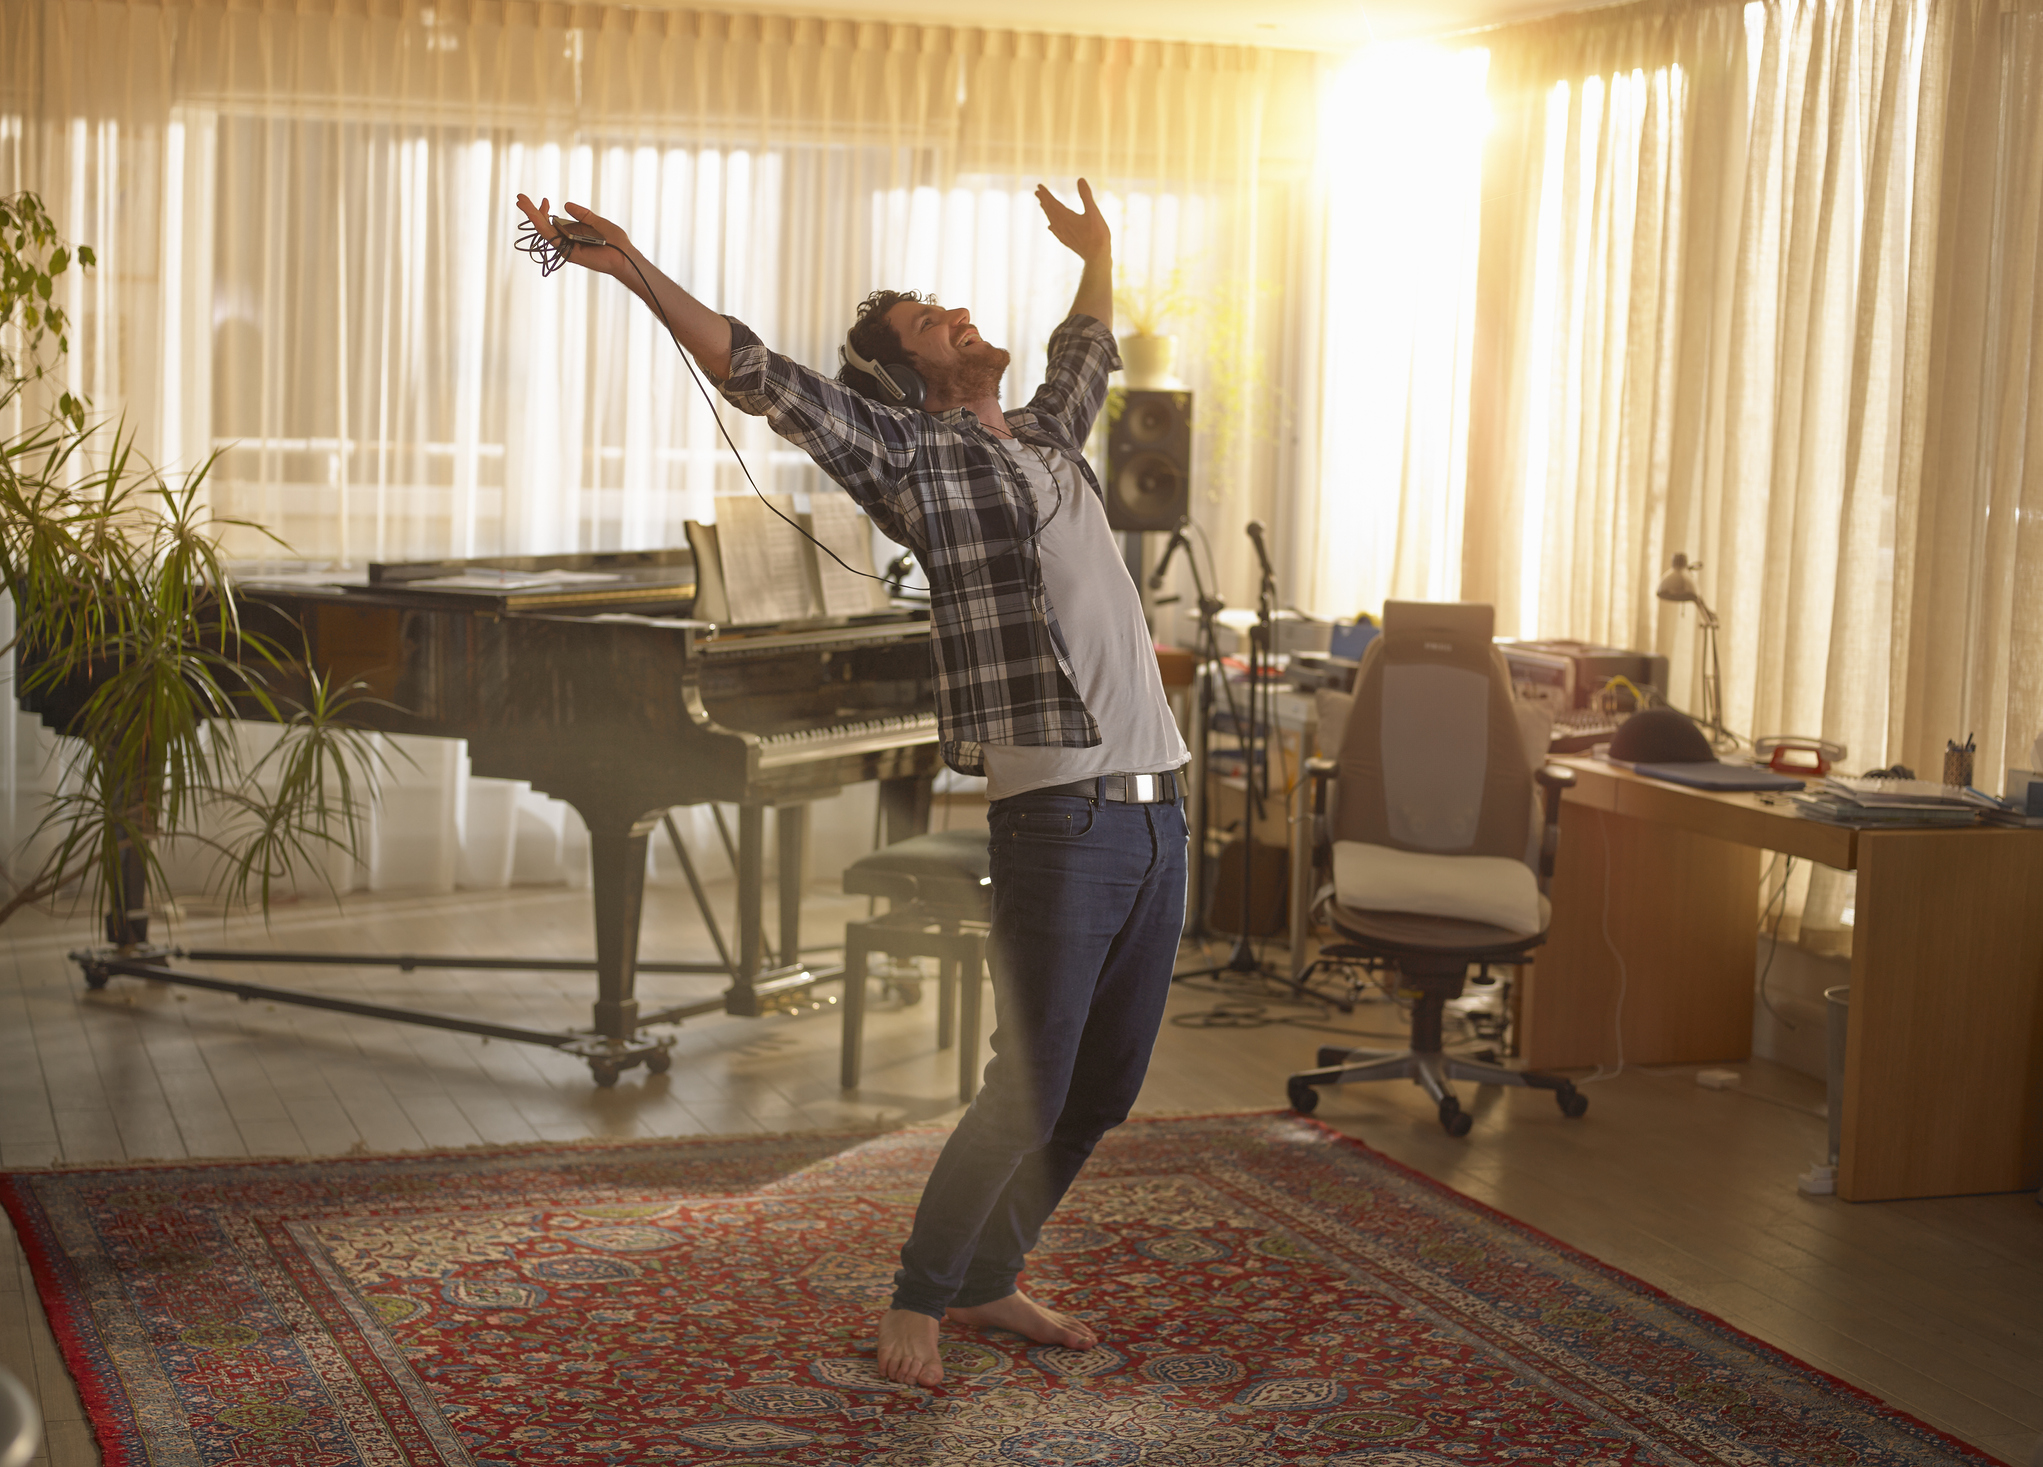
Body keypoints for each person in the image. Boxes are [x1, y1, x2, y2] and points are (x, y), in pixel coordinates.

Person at [513, 181, 1189, 1388]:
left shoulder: (1043, 435)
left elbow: (1088, 343)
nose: (960, 316)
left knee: (1104, 1093)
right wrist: (636, 271)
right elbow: (762, 374)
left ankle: (989, 1280)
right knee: (1028, 1089)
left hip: (1158, 816)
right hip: (1064, 817)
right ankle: (921, 1301)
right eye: (933, 321)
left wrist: (1100, 252)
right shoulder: (912, 458)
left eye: (948, 307)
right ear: (906, 377)